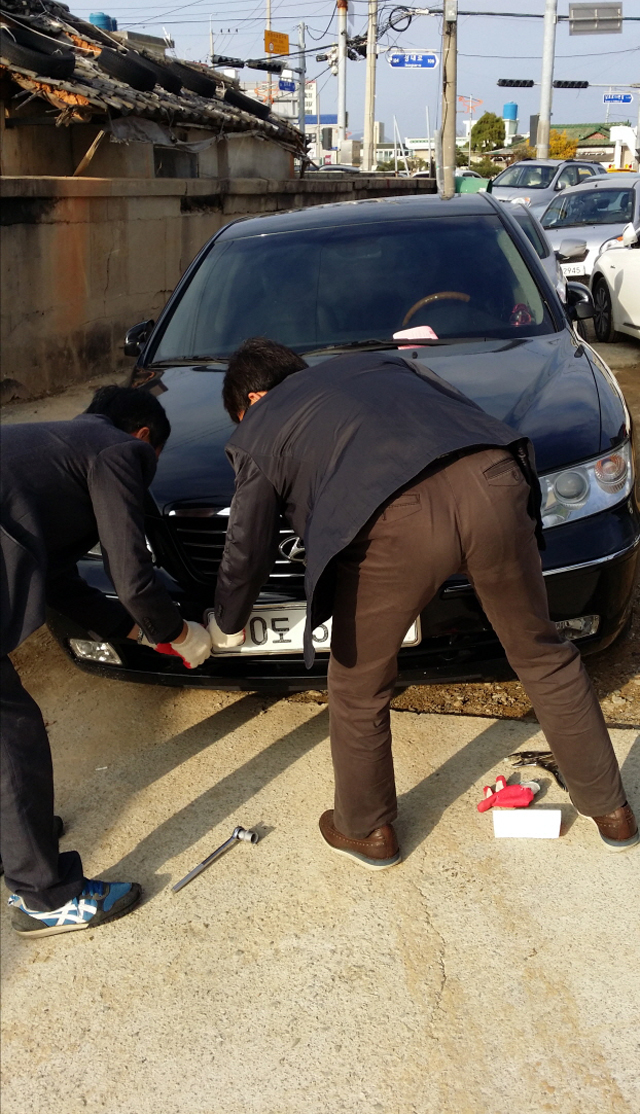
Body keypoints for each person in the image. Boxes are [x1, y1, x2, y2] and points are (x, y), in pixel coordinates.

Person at [210, 338, 638, 869]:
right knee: (542, 652)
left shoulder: (262, 421)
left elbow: (246, 546)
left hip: (397, 518)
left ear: (251, 400)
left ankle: (366, 829)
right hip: (495, 479)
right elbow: (462, 414)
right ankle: (611, 810)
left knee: (358, 683)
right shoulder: (380, 365)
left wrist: (228, 621)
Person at [1, 386, 212, 936]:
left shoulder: (52, 453)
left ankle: (14, 839)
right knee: (10, 735)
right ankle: (44, 898)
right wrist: (180, 634)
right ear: (144, 437)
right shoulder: (117, 450)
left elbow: (60, 583)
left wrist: (137, 632)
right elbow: (133, 578)